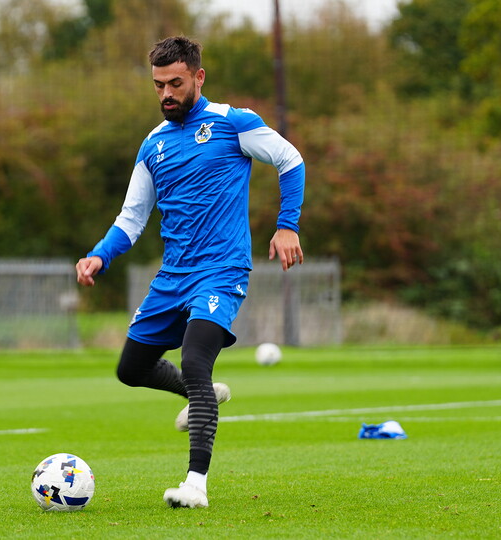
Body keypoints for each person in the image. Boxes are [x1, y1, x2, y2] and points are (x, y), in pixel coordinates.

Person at [75, 36, 305, 509]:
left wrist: (287, 226)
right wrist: (100, 254)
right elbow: (132, 218)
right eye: (158, 84)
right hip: (172, 276)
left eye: (175, 83)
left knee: (197, 360)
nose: (166, 93)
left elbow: (290, 159)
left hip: (221, 271)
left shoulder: (232, 123)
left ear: (198, 77)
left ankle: (195, 485)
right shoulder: (153, 144)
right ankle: (204, 396)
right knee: (130, 369)